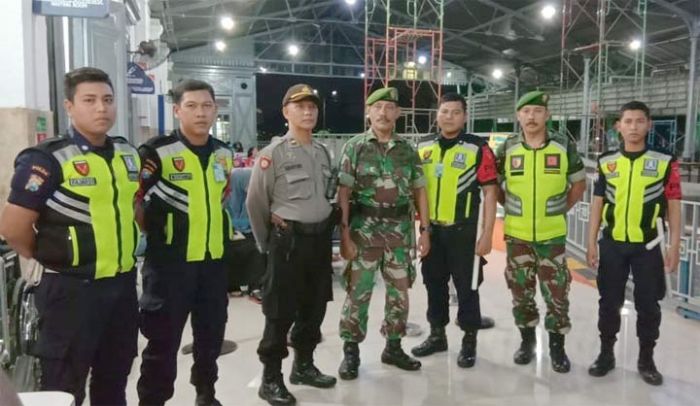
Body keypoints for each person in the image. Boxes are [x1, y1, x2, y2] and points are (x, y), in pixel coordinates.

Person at [0, 67, 140, 405]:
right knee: (64, 385)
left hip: (121, 288)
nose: (101, 108)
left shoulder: (127, 154)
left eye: (107, 100)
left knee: (114, 379)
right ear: (69, 106)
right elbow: (13, 227)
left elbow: (134, 207)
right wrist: (51, 255)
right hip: (70, 292)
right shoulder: (47, 160)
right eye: (89, 100)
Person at [136, 79, 233, 406]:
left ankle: (206, 393)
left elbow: (222, 199)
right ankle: (153, 401)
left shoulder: (223, 154)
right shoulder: (157, 153)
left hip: (212, 265)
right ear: (177, 110)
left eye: (207, 106)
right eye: (191, 106)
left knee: (210, 336)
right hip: (169, 268)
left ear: (215, 109)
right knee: (162, 343)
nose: (200, 113)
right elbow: (136, 203)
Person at [246, 84, 337, 406]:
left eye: (312, 106)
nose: (308, 111)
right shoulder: (273, 154)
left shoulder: (323, 152)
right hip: (287, 244)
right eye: (299, 106)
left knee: (315, 307)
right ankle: (271, 379)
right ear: (286, 113)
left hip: (319, 241)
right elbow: (256, 203)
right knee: (280, 312)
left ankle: (304, 366)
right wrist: (266, 244)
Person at [337, 87, 430, 380]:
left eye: (390, 107)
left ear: (398, 114)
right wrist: (344, 234)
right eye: (377, 107)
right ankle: (351, 352)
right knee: (358, 293)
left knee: (399, 294)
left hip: (399, 235)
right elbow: (343, 193)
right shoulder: (355, 146)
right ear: (368, 112)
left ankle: (393, 346)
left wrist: (424, 230)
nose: (383, 113)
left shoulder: (407, 150)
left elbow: (419, 190)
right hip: (363, 232)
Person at [586, 101, 681, 386]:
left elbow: (674, 205)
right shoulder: (606, 161)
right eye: (628, 121)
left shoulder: (665, 161)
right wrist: (591, 242)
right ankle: (606, 354)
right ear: (619, 126)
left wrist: (674, 245)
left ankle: (646, 358)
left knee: (648, 305)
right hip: (613, 244)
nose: (634, 127)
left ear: (649, 125)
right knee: (608, 302)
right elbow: (597, 204)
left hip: (649, 247)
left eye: (640, 121)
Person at [495, 90, 586, 373]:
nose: (531, 116)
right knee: (521, 292)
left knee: (557, 293)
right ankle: (527, 344)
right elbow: (494, 186)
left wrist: (558, 210)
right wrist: (509, 207)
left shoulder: (562, 146)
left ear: (547, 115)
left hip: (552, 237)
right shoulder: (508, 148)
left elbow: (578, 185)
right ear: (518, 116)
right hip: (516, 236)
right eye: (526, 111)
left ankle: (557, 349)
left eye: (537, 111)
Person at [411, 93, 498, 368]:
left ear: (464, 116)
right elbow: (417, 189)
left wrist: (487, 236)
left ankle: (469, 341)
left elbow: (490, 191)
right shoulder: (423, 146)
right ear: (437, 114)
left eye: (455, 112)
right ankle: (437, 336)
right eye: (444, 111)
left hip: (465, 232)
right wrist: (423, 230)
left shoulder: (478, 148)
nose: (449, 116)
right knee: (433, 285)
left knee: (467, 288)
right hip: (433, 231)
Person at [226, 166, 264, 303]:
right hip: (230, 227)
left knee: (255, 247)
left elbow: (256, 204)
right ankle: (232, 285)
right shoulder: (225, 186)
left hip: (249, 228)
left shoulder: (244, 176)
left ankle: (255, 287)